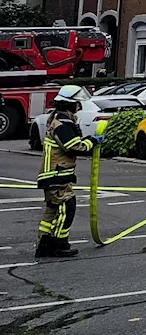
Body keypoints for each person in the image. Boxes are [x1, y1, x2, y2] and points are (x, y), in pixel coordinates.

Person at [35, 86, 100, 257]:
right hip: (57, 175)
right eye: (77, 104)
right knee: (67, 206)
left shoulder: (59, 119)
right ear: (69, 104)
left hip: (52, 175)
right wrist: (92, 142)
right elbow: (73, 146)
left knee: (52, 209)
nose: (79, 107)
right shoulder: (62, 123)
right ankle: (59, 244)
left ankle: (43, 243)